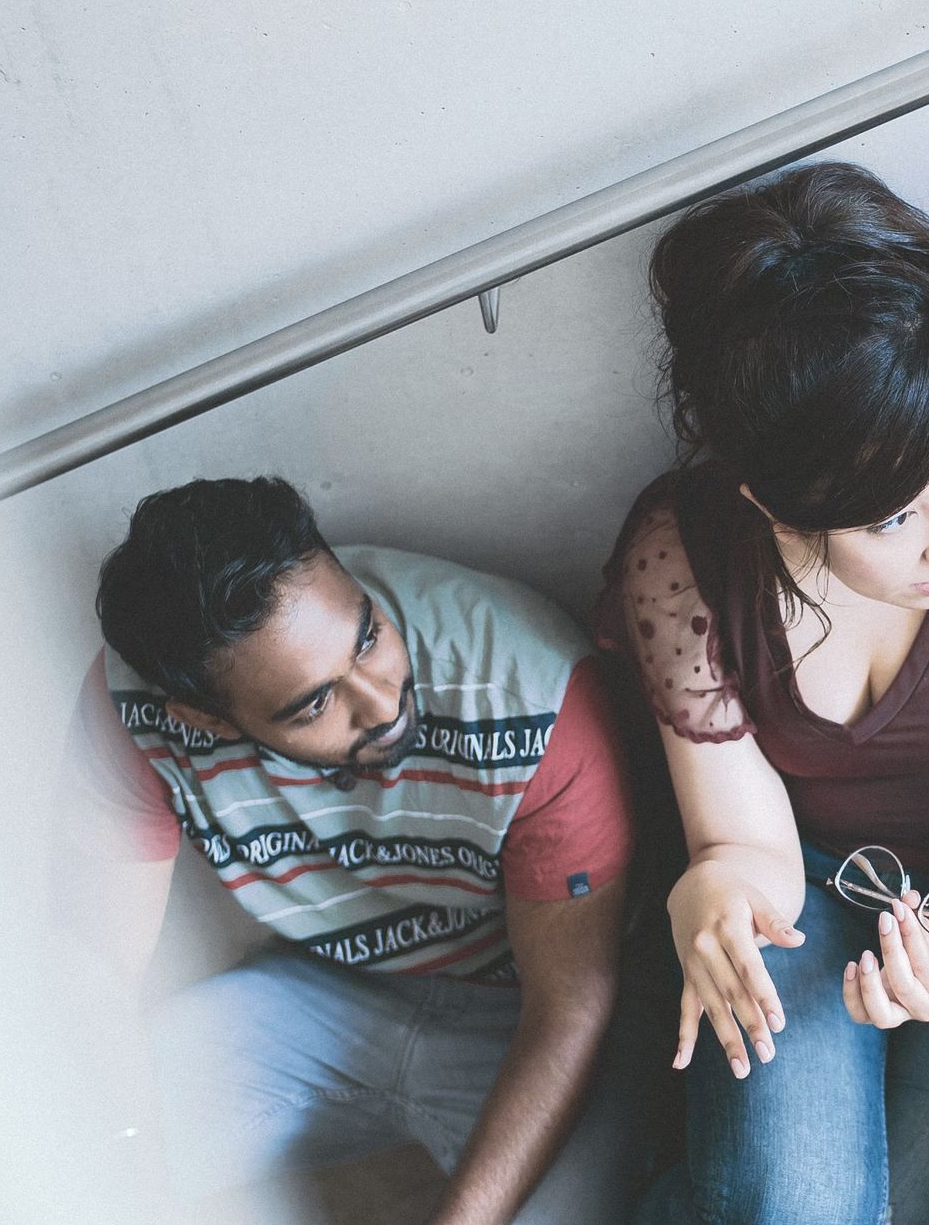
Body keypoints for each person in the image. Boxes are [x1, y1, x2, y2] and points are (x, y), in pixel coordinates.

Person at [593, 161, 929, 1225]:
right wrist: (714, 895)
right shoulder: (687, 553)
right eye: (889, 518)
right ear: (770, 503)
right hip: (799, 903)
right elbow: (744, 845)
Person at [68, 476, 637, 1224]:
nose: (381, 698)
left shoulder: (527, 691)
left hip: (525, 1013)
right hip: (327, 993)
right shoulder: (135, 711)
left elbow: (570, 1002)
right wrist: (132, 1175)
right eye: (315, 702)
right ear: (199, 717)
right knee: (61, 1144)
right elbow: (90, 965)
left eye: (366, 634)